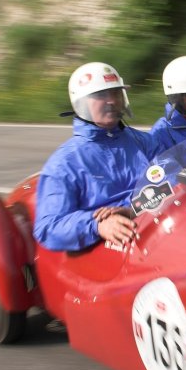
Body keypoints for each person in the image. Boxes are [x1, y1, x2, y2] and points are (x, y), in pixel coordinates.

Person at [34, 62, 162, 251]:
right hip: (109, 248)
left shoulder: (143, 141)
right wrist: (97, 225)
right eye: (101, 95)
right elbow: (48, 227)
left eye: (116, 93)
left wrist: (132, 209)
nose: (111, 101)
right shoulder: (64, 163)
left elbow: (174, 178)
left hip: (154, 226)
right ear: (82, 102)